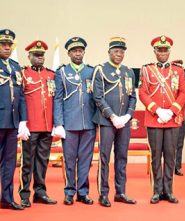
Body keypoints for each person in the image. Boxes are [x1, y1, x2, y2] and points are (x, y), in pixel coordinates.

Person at [139, 35, 185, 204]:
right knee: (155, 156)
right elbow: (142, 93)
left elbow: (183, 92)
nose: (162, 53)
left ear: (169, 51)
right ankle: (156, 191)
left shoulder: (178, 71)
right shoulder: (146, 70)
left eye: (165, 50)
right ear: (155, 51)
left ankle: (169, 190)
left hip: (173, 120)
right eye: (159, 50)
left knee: (170, 156)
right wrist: (158, 110)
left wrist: (172, 111)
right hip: (154, 119)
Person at [92, 37, 137, 207]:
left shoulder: (128, 72)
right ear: (109, 52)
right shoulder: (100, 70)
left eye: (122, 51)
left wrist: (127, 116)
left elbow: (133, 96)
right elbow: (98, 97)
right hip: (106, 121)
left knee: (122, 157)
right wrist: (112, 116)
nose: (119, 54)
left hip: (124, 122)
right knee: (104, 158)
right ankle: (103, 193)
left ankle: (121, 192)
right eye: (116, 51)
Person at [53, 37, 96, 205]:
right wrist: (59, 123)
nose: (78, 53)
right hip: (69, 124)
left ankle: (83, 192)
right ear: (69, 53)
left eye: (80, 50)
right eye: (74, 51)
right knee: (70, 160)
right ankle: (70, 191)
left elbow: (96, 97)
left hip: (88, 123)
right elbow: (57, 98)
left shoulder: (91, 72)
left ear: (84, 52)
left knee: (86, 160)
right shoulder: (61, 72)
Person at [19, 40, 57, 207]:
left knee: (42, 161)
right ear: (29, 57)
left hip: (47, 125)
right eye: (36, 55)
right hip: (30, 126)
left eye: (42, 55)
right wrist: (22, 123)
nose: (40, 58)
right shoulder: (23, 74)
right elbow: (20, 100)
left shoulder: (51, 75)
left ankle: (40, 192)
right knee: (27, 162)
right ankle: (24, 194)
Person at [0, 29, 30, 210]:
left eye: (9, 45)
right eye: (3, 44)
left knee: (10, 162)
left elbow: (21, 96)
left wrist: (23, 121)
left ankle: (7, 198)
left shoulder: (15, 67)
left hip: (12, 122)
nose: (6, 47)